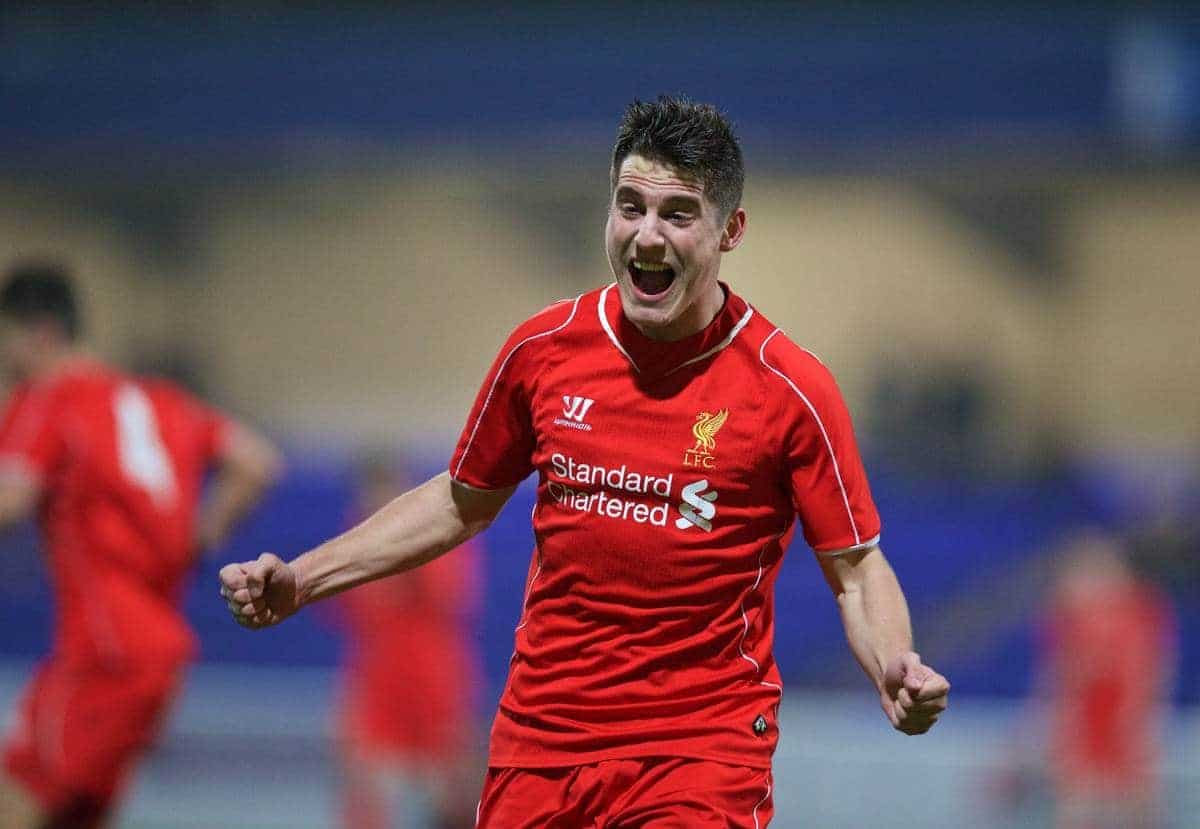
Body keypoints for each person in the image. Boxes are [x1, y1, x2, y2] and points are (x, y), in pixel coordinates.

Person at [220, 96, 949, 827]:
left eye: (678, 214)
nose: (647, 236)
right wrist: (303, 579)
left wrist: (895, 662)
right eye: (629, 206)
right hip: (540, 747)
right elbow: (459, 500)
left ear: (731, 230)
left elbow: (856, 569)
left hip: (699, 754)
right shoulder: (543, 351)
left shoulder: (789, 388)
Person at [0, 262, 281, 828]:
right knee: (76, 814)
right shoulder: (161, 400)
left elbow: (9, 503)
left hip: (100, 653)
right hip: (159, 655)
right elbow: (255, 461)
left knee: (16, 797)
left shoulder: (50, 399)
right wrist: (203, 536)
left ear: (41, 333)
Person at [331, 452, 483, 829]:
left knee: (453, 798)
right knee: (365, 794)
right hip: (378, 684)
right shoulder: (354, 544)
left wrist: (409, 555)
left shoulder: (437, 533)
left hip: (435, 683)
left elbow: (457, 598)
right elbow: (350, 615)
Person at [1041, 529, 1176, 829]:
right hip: (1086, 724)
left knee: (1137, 805)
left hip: (1124, 721)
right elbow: (1060, 678)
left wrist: (1139, 726)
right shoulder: (1068, 618)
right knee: (1079, 806)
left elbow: (1151, 672)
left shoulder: (1142, 611)